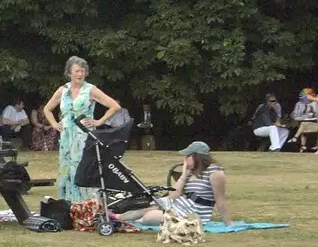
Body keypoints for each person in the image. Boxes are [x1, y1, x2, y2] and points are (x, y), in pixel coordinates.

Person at [42, 57, 122, 204]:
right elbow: (47, 109)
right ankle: (67, 202)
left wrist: (98, 121)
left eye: (83, 71)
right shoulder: (63, 90)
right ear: (69, 73)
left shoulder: (90, 90)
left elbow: (114, 106)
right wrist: (54, 123)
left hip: (83, 135)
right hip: (66, 136)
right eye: (77, 71)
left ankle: (86, 202)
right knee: (66, 167)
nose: (80, 74)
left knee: (83, 165)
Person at [117, 141, 230, 226]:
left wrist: (228, 223)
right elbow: (173, 195)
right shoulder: (191, 172)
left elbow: (220, 200)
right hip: (179, 204)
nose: (185, 160)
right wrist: (184, 174)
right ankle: (117, 218)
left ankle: (126, 221)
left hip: (194, 212)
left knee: (151, 215)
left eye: (187, 156)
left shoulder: (215, 172)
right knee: (146, 205)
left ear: (196, 157)